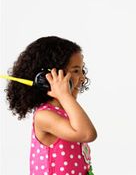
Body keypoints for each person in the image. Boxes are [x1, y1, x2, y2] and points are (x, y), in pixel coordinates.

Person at [5, 36, 97, 175]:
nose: (83, 77)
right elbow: (87, 134)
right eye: (76, 71)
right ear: (48, 77)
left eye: (82, 71)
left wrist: (67, 98)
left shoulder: (66, 111)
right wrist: (65, 95)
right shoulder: (44, 116)